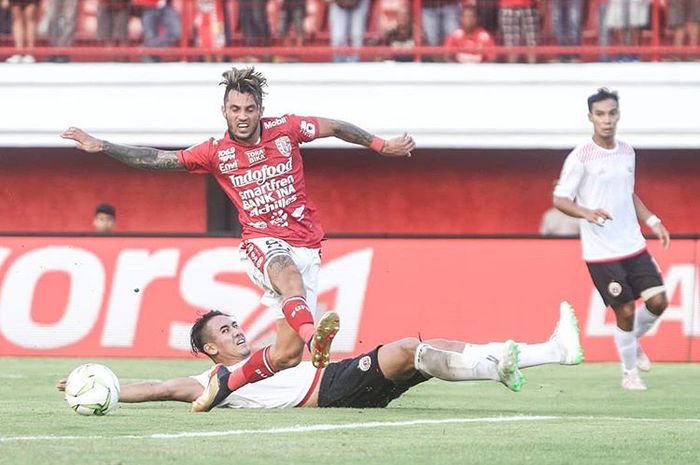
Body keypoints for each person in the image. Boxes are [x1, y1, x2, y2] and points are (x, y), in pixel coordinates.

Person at [61, 66, 415, 411]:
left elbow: (335, 126)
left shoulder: (287, 128)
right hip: (261, 241)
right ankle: (314, 338)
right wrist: (103, 145)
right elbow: (157, 158)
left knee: (286, 356)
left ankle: (234, 380)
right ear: (224, 111)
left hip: (307, 242)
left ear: (261, 110)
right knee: (286, 273)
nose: (242, 116)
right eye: (234, 109)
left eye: (249, 109)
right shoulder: (215, 152)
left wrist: (380, 145)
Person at [56, 303, 583, 410]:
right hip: (325, 394)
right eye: (225, 330)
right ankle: (516, 360)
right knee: (406, 348)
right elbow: (160, 389)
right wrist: (102, 387)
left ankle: (546, 353)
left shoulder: (269, 354)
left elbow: (308, 361)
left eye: (235, 323)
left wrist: (321, 350)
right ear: (209, 348)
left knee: (427, 349)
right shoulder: (212, 378)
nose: (237, 331)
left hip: (329, 379)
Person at [553, 88, 671, 391]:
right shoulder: (580, 157)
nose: (607, 120)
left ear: (618, 115)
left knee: (658, 301)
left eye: (611, 113)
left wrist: (653, 220)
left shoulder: (627, 151)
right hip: (601, 251)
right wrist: (586, 212)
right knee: (626, 312)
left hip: (632, 243)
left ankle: (632, 340)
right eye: (600, 114)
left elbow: (628, 193)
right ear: (590, 118)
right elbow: (560, 198)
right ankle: (629, 373)